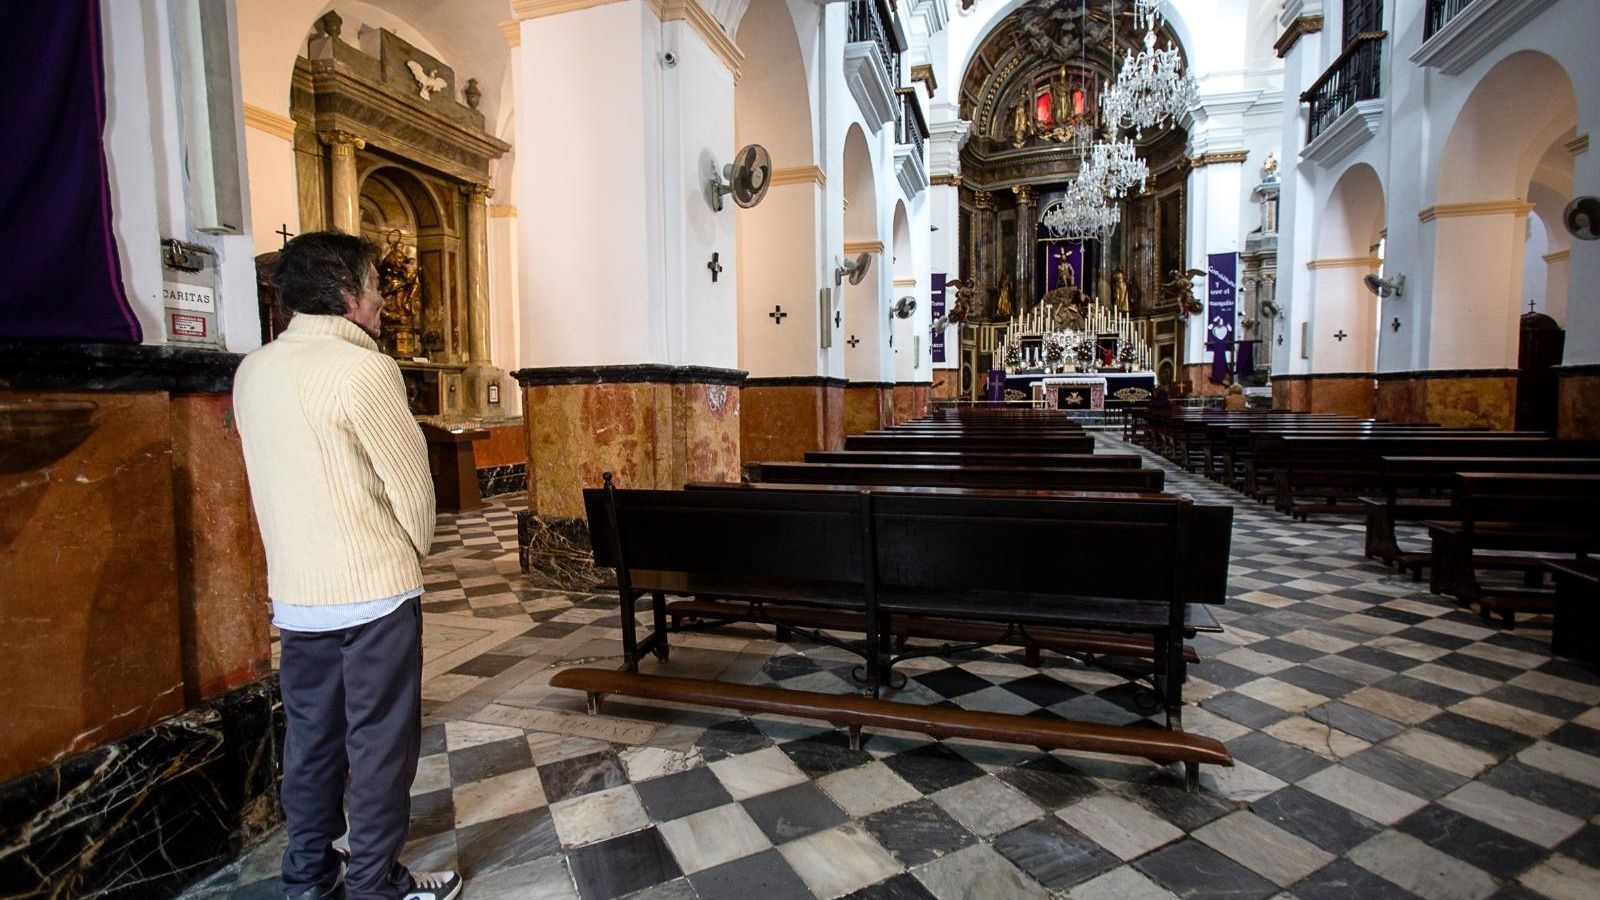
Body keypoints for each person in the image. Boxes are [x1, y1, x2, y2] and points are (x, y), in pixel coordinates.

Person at [233, 231, 458, 900]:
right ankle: (373, 884)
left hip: (299, 598)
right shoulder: (365, 370)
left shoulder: (254, 370)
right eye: (378, 288)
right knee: (380, 749)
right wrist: (409, 554)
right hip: (373, 598)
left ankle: (306, 877)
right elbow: (413, 490)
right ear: (350, 295)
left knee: (310, 742)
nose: (385, 302)